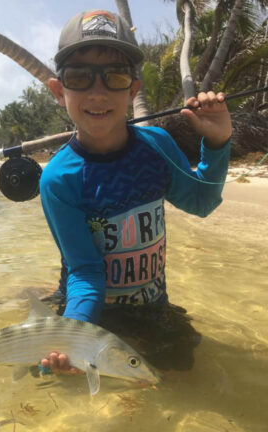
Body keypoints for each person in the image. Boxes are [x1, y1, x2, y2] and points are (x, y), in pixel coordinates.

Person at [38, 10, 231, 374]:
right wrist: (75, 334)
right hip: (89, 305)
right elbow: (86, 270)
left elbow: (202, 201)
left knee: (182, 372)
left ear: (133, 90)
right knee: (51, 374)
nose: (98, 92)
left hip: (152, 306)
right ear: (58, 91)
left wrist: (217, 144)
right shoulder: (58, 180)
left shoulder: (156, 146)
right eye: (80, 77)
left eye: (115, 76)